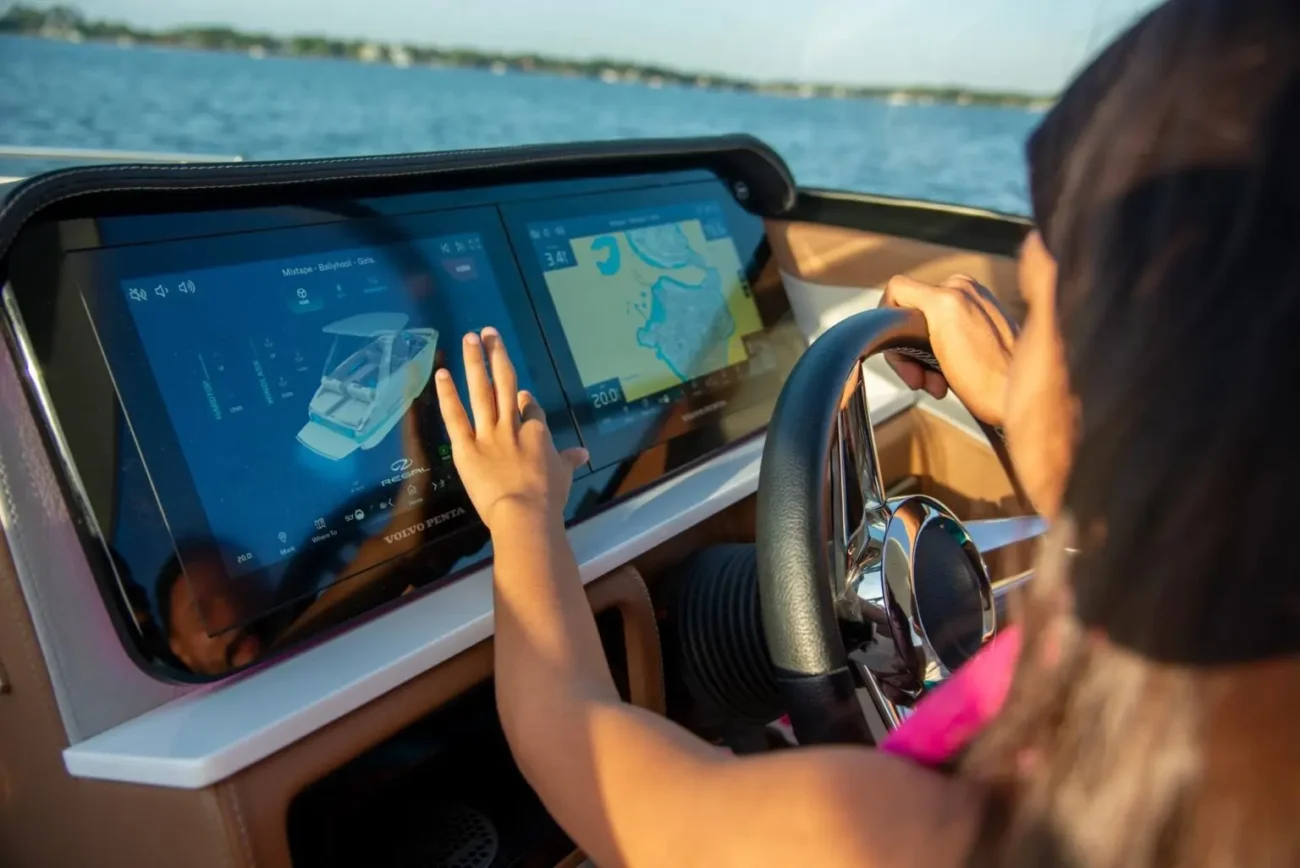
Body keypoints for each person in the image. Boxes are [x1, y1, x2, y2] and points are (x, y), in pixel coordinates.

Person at [435, 1, 1300, 864]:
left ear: (1139, 388)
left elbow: (570, 737)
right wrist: (1016, 408)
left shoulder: (902, 833)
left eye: (1041, 310)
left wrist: (521, 511)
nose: (1020, 339)